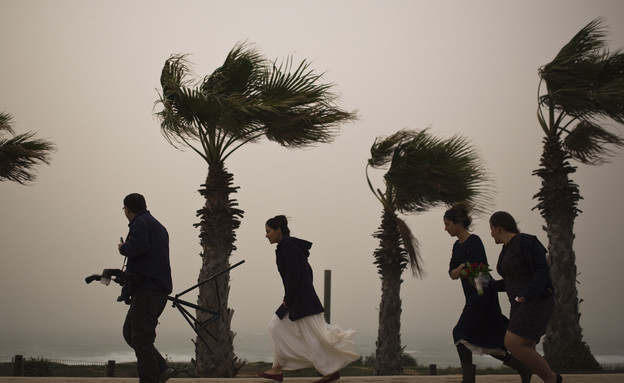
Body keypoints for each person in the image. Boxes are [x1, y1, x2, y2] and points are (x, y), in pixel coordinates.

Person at [258, 215, 359, 383]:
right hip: (299, 299)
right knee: (275, 326)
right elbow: (307, 272)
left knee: (315, 338)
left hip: (301, 302)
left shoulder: (288, 246)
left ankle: (330, 371)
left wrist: (289, 298)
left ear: (278, 230)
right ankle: (277, 367)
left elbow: (294, 274)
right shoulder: (288, 246)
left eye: (268, 231)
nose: (266, 235)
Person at [444, 204, 532, 383]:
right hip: (472, 294)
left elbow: (476, 270)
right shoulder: (456, 246)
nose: (445, 228)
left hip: (482, 293)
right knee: (487, 337)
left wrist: (461, 269)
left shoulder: (474, 241)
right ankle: (523, 368)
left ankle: (468, 380)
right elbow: (452, 274)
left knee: (459, 332)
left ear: (458, 223)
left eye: (448, 224)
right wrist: (461, 269)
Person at [489, 211, 562, 383]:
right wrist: (488, 285)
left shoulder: (526, 241)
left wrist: (528, 295)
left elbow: (542, 270)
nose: (491, 233)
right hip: (519, 304)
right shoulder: (506, 249)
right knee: (526, 347)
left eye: (491, 229)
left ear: (498, 228)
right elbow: (511, 281)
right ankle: (549, 379)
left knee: (512, 343)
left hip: (536, 301)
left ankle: (553, 378)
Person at [118, 193, 174, 383]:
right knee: (130, 332)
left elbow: (138, 247)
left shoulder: (140, 223)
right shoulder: (158, 226)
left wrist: (123, 247)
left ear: (127, 209)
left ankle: (151, 379)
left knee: (141, 338)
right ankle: (161, 368)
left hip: (148, 289)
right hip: (157, 289)